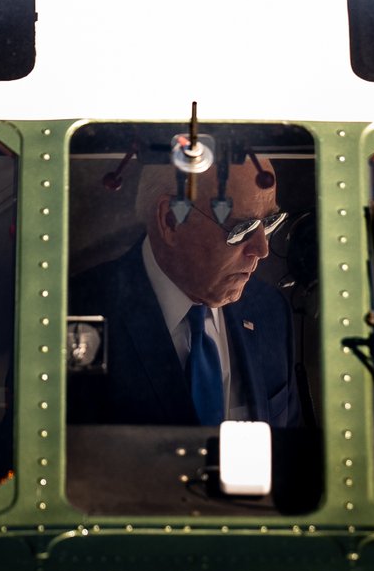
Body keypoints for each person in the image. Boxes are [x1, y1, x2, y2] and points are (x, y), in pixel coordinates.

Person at [67, 153, 300, 427]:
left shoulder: (270, 311)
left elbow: (288, 451)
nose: (262, 250)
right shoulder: (77, 310)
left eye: (269, 223)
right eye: (242, 228)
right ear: (170, 220)